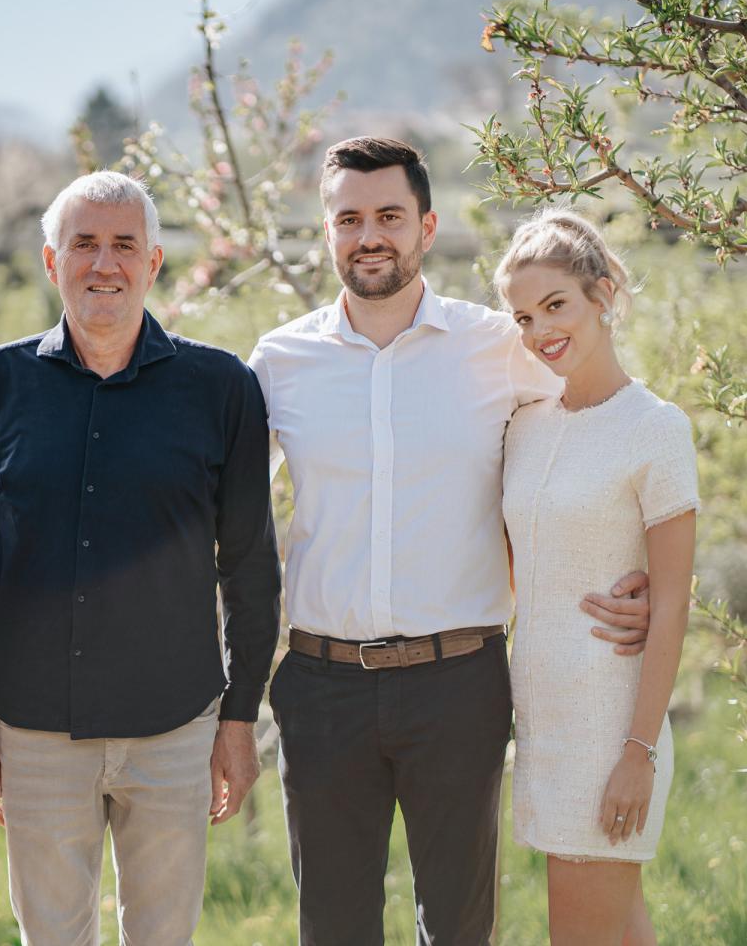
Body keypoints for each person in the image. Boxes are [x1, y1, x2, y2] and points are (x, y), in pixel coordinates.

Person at [248, 138, 653, 945]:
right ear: (326, 233)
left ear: (426, 226)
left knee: (462, 927)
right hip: (321, 688)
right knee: (333, 927)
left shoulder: (496, 344)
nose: (371, 235)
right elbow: (220, 513)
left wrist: (633, 567)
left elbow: (602, 429)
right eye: (350, 218)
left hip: (458, 683)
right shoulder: (278, 361)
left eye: (390, 216)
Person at [0, 171, 281, 946]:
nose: (105, 264)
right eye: (84, 244)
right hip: (33, 732)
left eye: (124, 245)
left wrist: (237, 718)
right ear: (50, 259)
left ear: (155, 262)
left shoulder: (220, 387)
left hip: (176, 730)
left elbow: (252, 567)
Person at [496, 209, 697, 944]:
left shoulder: (655, 427)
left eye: (556, 305)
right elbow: (522, 560)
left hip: (609, 726)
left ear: (603, 295)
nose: (541, 330)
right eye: (522, 316)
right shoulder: (525, 423)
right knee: (622, 930)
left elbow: (672, 600)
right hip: (541, 715)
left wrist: (637, 754)